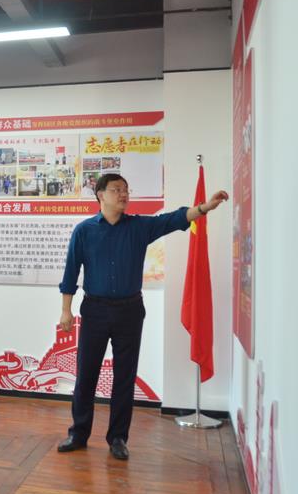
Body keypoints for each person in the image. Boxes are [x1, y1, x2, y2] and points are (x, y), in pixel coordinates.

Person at [56, 173, 228, 461]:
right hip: (95, 310)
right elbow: (71, 272)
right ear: (100, 195)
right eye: (116, 190)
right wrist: (66, 310)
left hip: (129, 311)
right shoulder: (84, 231)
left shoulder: (138, 227)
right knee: (86, 375)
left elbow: (173, 219)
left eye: (126, 190)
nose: (123, 194)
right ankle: (79, 433)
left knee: (124, 377)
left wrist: (203, 208)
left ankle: (118, 438)